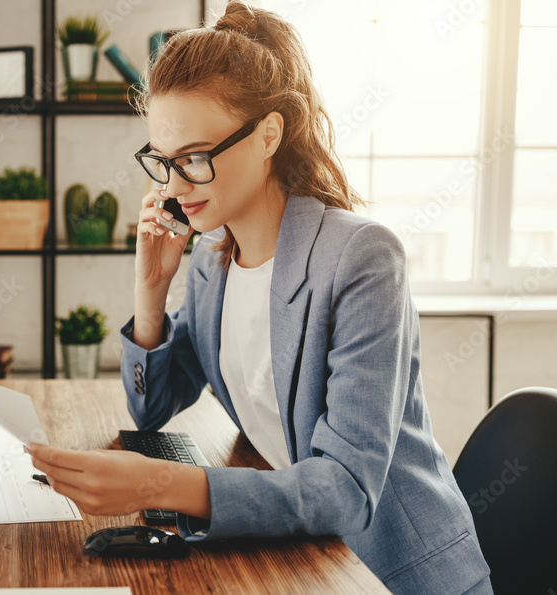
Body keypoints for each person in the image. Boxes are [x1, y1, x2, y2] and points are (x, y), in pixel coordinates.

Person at [28, 2, 492, 592]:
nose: (173, 186)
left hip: (391, 572)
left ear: (268, 134)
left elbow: (345, 488)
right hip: (306, 558)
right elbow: (154, 409)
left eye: (194, 158)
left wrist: (159, 485)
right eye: (163, 162)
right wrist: (151, 293)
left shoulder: (362, 259)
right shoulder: (212, 256)